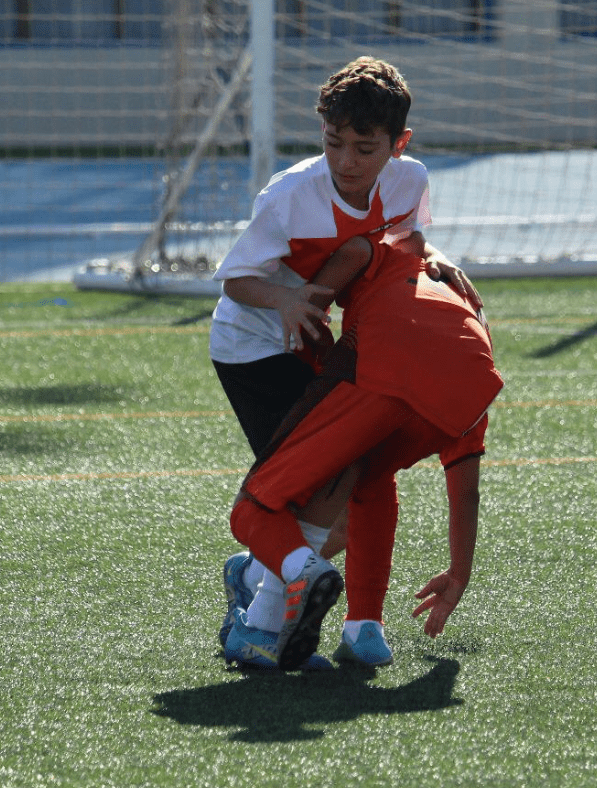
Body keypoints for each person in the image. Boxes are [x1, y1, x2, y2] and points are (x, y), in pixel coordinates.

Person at [210, 56, 480, 668]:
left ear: (398, 144)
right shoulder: (289, 195)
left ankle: (263, 583)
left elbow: (398, 241)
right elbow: (234, 282)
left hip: (316, 344)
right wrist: (284, 298)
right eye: (335, 144)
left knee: (347, 478)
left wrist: (437, 257)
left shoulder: (409, 180)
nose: (347, 162)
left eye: (365, 148)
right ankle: (258, 622)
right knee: (312, 490)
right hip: (252, 347)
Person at [228, 236, 503, 670]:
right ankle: (364, 630)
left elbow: (356, 250)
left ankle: (289, 583)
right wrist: (458, 573)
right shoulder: (447, 285)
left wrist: (299, 305)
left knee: (252, 508)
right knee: (369, 478)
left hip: (382, 355)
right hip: (473, 374)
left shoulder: (382, 250)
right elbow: (467, 493)